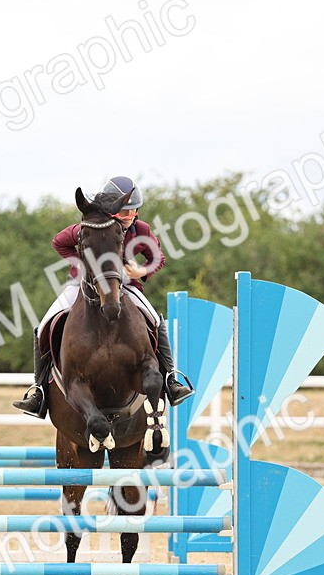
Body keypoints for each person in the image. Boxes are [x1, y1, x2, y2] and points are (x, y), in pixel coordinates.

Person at [13, 176, 195, 418]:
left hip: (125, 286)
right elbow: (59, 242)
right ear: (113, 209)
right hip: (82, 284)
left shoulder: (141, 230)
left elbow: (158, 257)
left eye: (134, 210)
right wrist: (81, 264)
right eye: (126, 210)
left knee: (155, 318)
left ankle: (171, 378)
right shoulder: (91, 227)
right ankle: (39, 390)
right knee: (45, 323)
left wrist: (142, 271)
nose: (131, 216)